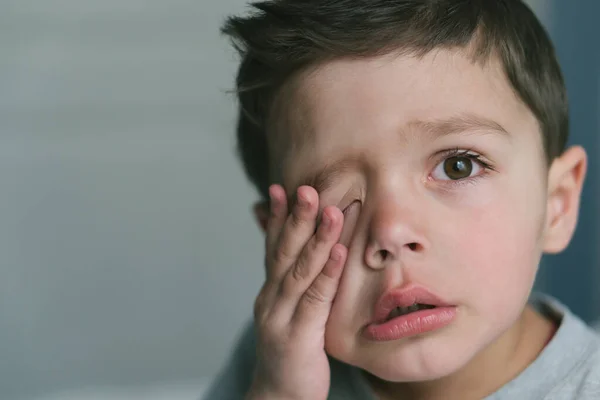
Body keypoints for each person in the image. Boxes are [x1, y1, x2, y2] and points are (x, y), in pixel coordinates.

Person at [205, 0, 599, 399]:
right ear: (279, 249)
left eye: (458, 166)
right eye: (333, 204)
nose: (391, 232)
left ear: (557, 204)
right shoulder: (277, 358)